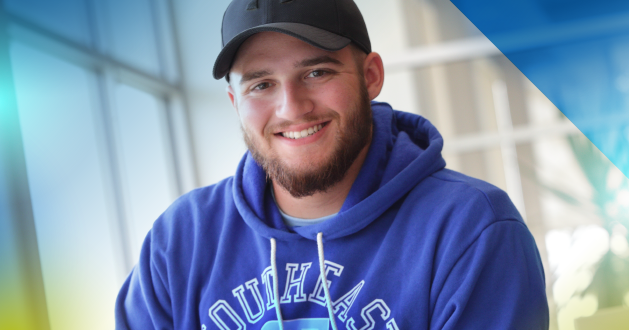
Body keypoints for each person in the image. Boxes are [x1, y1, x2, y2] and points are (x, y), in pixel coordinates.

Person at [115, 0, 549, 329]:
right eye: (262, 84)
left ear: (370, 76)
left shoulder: (470, 230)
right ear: (235, 102)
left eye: (317, 72)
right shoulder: (180, 241)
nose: (292, 108)